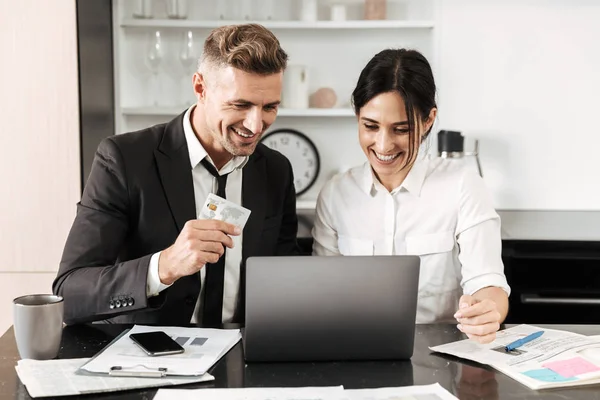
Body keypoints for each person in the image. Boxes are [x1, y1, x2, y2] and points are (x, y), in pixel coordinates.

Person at [54, 24, 299, 326]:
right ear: (200, 88)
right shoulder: (123, 159)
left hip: (247, 357)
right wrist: (165, 266)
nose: (256, 125)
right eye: (240, 105)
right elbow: (69, 293)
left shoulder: (277, 171)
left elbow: (288, 281)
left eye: (270, 107)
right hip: (151, 362)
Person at [312, 48, 510, 343]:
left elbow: (487, 282)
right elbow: (322, 293)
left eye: (401, 129)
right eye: (370, 126)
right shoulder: (335, 194)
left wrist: (487, 311)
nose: (383, 144)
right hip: (356, 352)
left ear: (428, 120)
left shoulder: (463, 185)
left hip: (440, 359)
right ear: (357, 116)